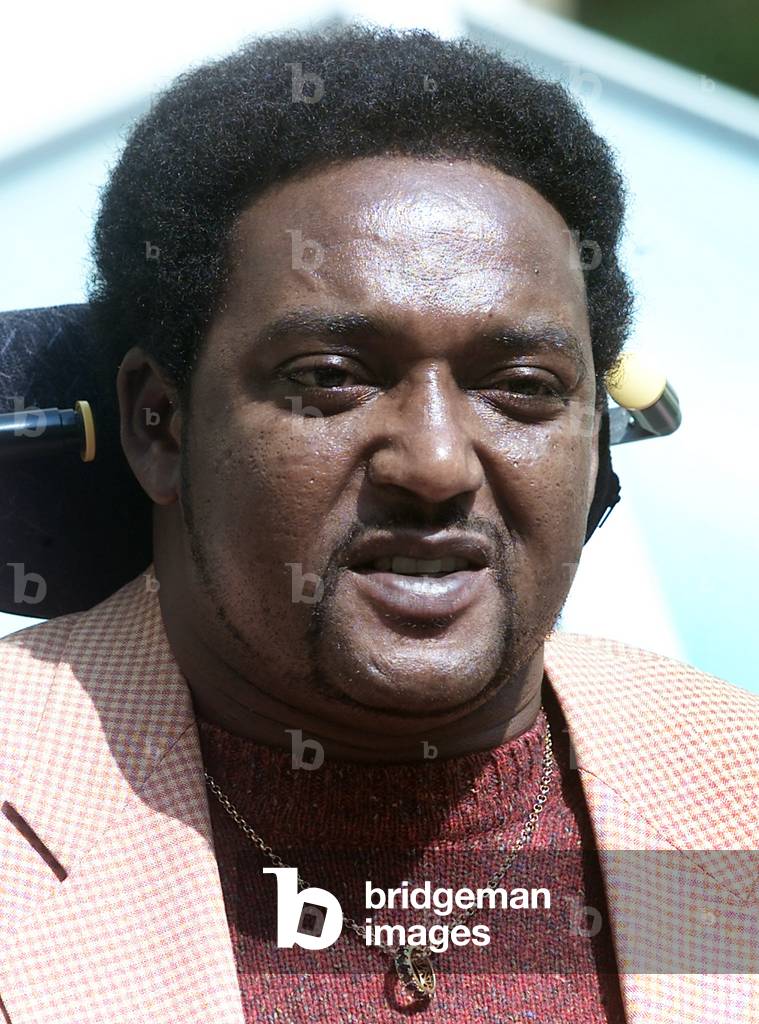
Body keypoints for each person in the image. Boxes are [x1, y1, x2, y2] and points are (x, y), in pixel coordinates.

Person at [0, 24, 756, 1024]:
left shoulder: (734, 789)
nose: (436, 464)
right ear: (161, 424)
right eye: (331, 378)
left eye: (524, 386)